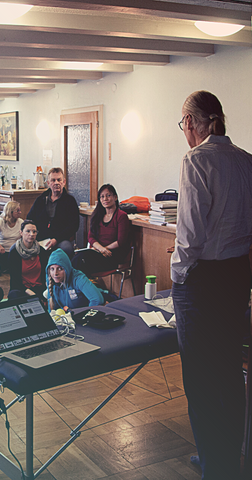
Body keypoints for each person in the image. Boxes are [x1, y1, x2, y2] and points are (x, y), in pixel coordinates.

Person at [171, 91, 252, 480]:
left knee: (201, 378)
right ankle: (228, 457)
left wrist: (178, 276)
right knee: (228, 371)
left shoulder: (196, 160)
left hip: (203, 279)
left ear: (191, 122)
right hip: (237, 275)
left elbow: (189, 235)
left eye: (184, 124)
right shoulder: (246, 161)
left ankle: (213, 464)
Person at [72, 184, 131, 276]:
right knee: (77, 258)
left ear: (115, 197)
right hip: (99, 252)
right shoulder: (98, 215)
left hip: (112, 255)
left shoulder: (121, 216)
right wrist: (101, 249)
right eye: (102, 197)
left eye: (108, 195)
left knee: (81, 261)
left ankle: (72, 288)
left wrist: (104, 249)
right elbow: (91, 237)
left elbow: (121, 241)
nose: (105, 199)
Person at [26, 167, 79, 258]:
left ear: (64, 182)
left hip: (60, 239)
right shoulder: (40, 200)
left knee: (66, 248)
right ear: (48, 183)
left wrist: (56, 239)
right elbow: (30, 219)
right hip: (40, 238)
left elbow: (74, 225)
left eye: (59, 180)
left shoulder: (70, 201)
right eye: (53, 180)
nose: (56, 183)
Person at [8, 220, 48, 301]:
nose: (31, 234)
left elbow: (46, 274)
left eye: (34, 232)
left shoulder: (41, 251)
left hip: (39, 288)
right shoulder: (14, 252)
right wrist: (32, 294)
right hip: (23, 289)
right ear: (21, 233)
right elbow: (15, 280)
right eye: (28, 231)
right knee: (14, 295)